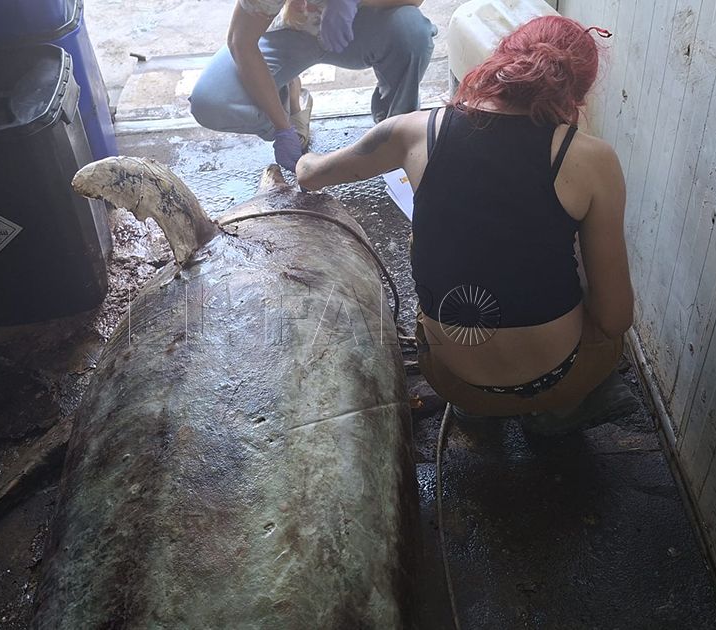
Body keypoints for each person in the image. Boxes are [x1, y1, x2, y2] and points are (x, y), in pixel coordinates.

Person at [295, 16, 636, 434]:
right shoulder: (592, 159)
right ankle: (559, 413)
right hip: (559, 376)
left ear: (501, 62)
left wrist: (300, 156)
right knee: (590, 286)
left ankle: (477, 412)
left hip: (454, 380)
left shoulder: (415, 130)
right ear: (577, 92)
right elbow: (616, 318)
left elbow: (312, 175)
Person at [188, 0, 436, 173]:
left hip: (358, 29)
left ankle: (395, 132)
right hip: (289, 32)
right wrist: (282, 128)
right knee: (211, 101)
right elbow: (240, 40)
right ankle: (285, 99)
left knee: (412, 32)